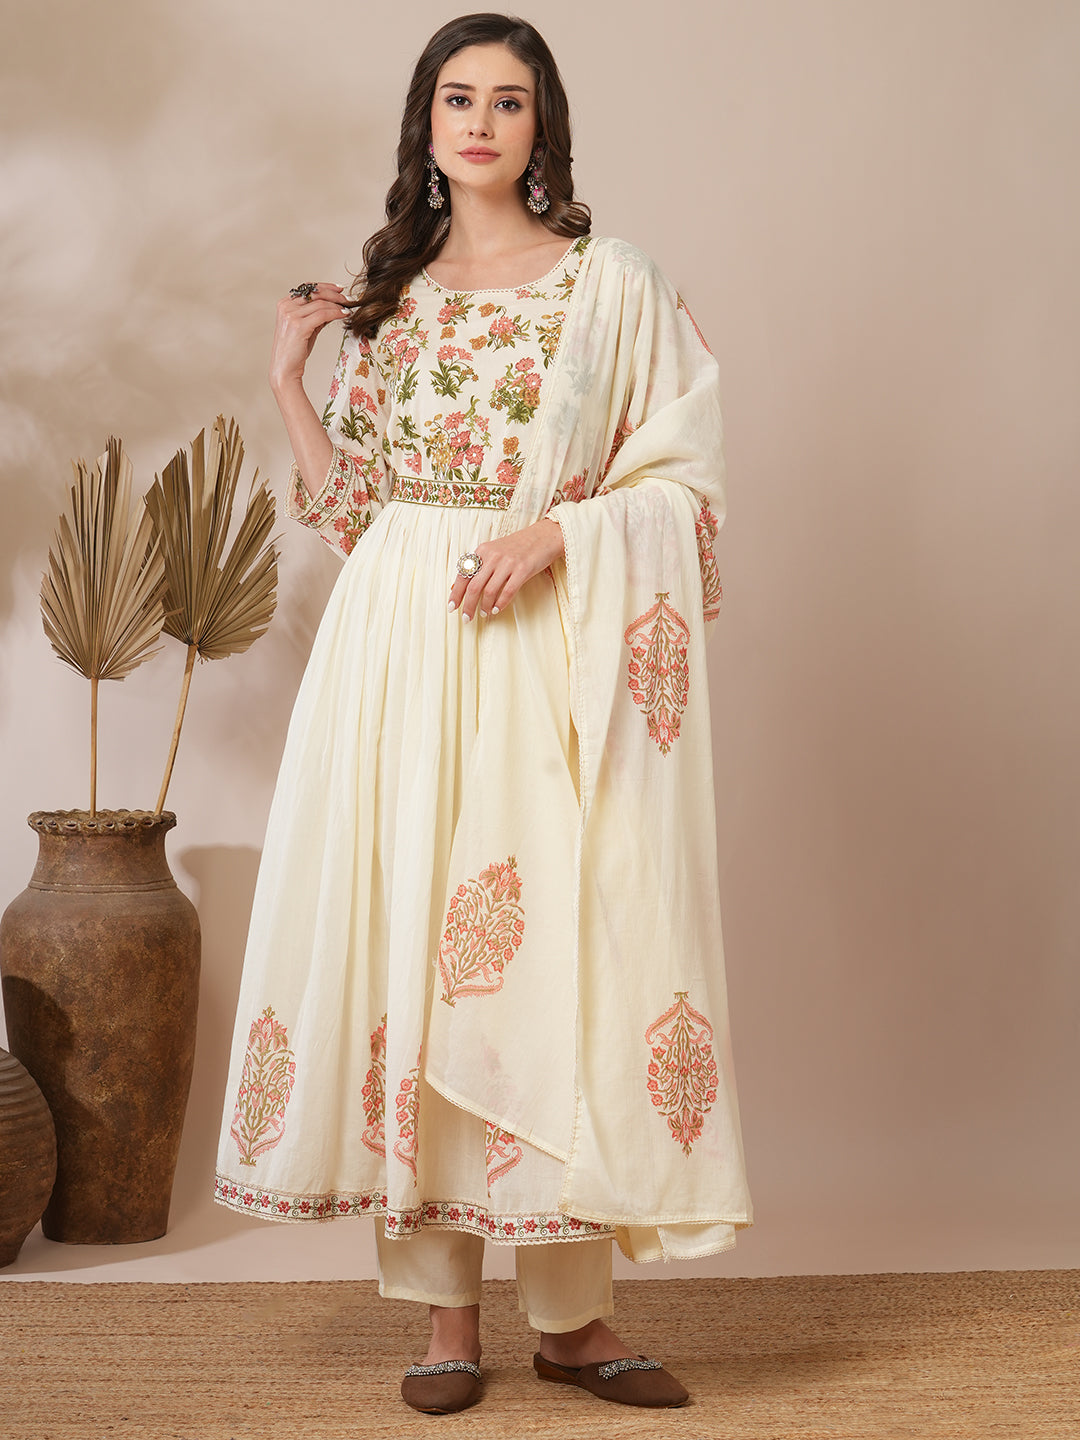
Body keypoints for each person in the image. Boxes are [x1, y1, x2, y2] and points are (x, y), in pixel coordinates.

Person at [214, 11, 751, 1415]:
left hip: (540, 640)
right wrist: (289, 382)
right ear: (427, 122)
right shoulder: (390, 298)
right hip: (400, 641)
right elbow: (353, 513)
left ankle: (572, 1319)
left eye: (508, 101)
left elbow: (685, 482)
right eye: (458, 98)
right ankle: (444, 1319)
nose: (480, 122)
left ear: (541, 127)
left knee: (550, 953)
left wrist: (562, 536)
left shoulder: (611, 285)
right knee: (413, 944)